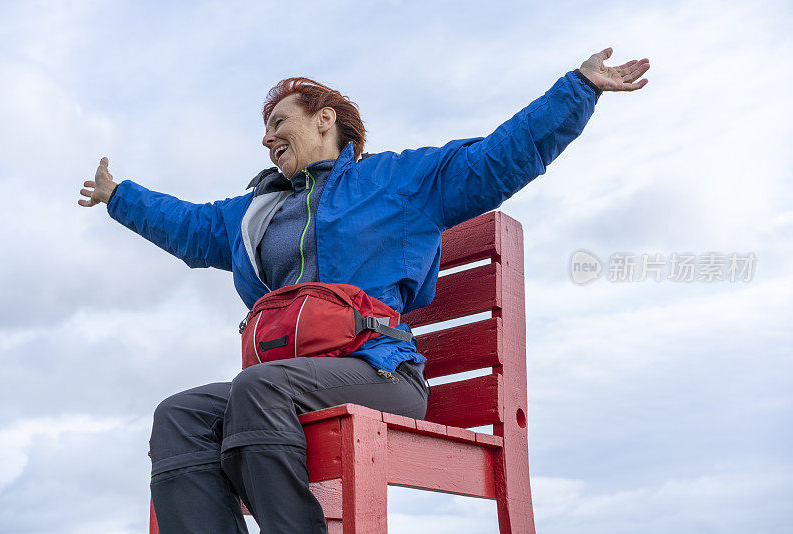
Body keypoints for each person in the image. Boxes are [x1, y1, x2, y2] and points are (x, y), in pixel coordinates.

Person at [78, 47, 649, 533]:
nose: (267, 136)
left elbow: (496, 160)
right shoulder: (255, 212)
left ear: (325, 117)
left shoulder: (397, 182)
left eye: (280, 121)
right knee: (180, 414)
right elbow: (187, 226)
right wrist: (119, 197)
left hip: (381, 374)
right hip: (285, 386)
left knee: (259, 388)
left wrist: (577, 91)